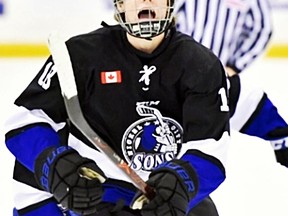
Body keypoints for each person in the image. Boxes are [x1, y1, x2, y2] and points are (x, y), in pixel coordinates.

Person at [4, 0, 230, 215]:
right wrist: (56, 166)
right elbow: (25, 122)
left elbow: (210, 149)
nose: (146, 1)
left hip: (157, 193)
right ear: (120, 4)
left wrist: (181, 184)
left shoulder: (201, 65)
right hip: (92, 191)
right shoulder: (80, 55)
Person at [175, 0, 288, 214]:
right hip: (176, 76)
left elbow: (262, 29)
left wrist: (235, 65)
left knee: (204, 148)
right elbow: (164, 16)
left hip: (214, 82)